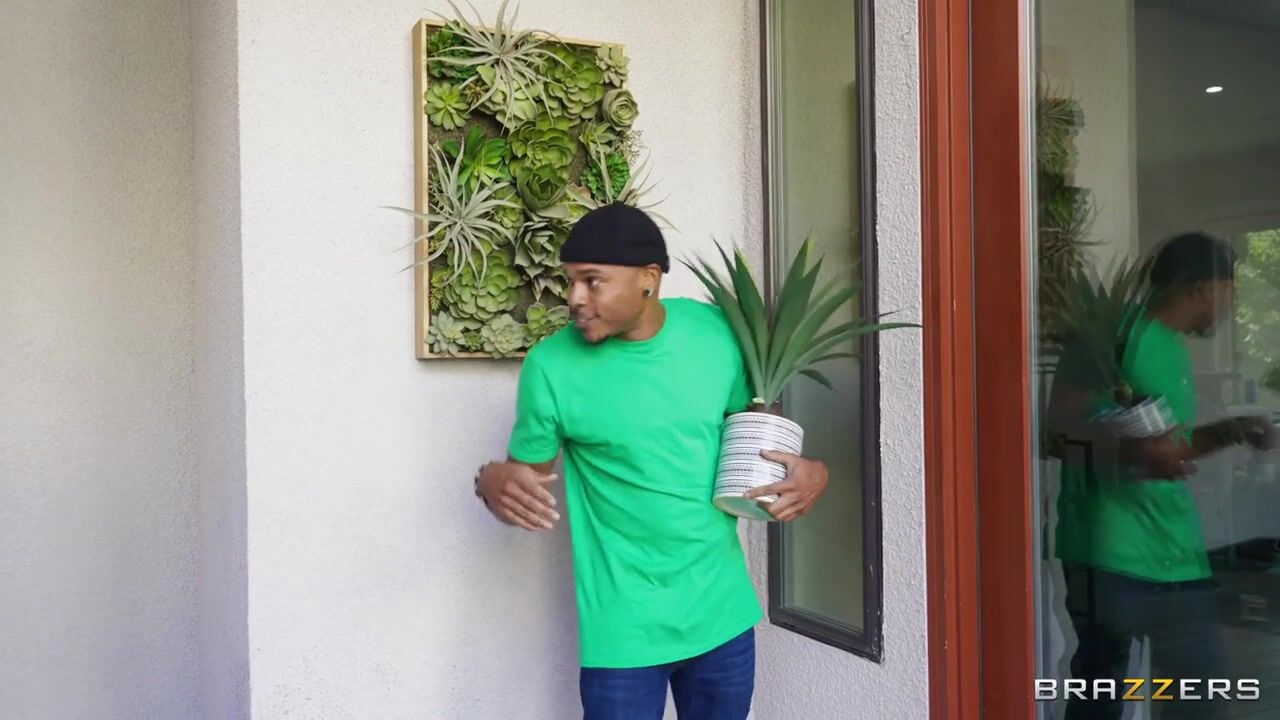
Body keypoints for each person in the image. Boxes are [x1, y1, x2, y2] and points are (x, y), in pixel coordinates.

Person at [473, 203, 830, 720]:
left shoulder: (715, 331)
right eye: (570, 281)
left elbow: (757, 439)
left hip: (723, 617)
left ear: (648, 278)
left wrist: (812, 472)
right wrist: (491, 482)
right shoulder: (550, 366)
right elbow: (522, 483)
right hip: (624, 632)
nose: (574, 298)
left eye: (592, 281)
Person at [1048, 232, 1275, 720]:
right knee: (1109, 696)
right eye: (1230, 290)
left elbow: (1170, 446)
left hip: (1171, 551)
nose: (1231, 303)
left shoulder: (1172, 350)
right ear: (1205, 287)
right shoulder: (1112, 334)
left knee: (1193, 696)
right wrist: (1136, 452)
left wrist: (1234, 430)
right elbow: (1059, 432)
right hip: (1110, 555)